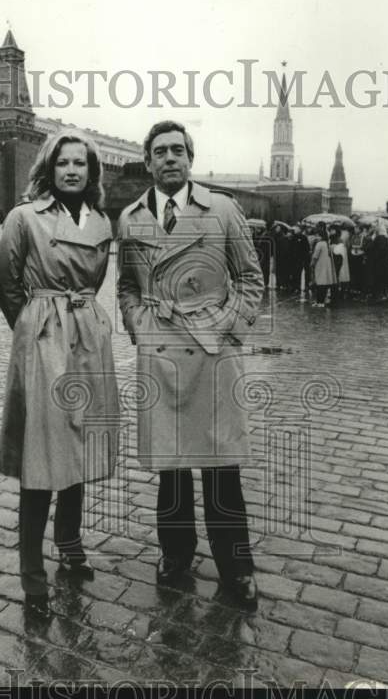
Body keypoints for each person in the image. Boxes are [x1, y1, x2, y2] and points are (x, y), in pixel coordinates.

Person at [116, 120, 264, 608]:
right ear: (148, 162)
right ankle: (175, 554)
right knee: (171, 469)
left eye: (178, 150)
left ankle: (236, 567)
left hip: (213, 354)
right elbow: (128, 287)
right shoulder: (131, 217)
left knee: (222, 469)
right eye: (160, 152)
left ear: (190, 158)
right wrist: (141, 327)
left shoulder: (221, 209)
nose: (170, 158)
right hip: (161, 354)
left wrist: (224, 331)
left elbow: (250, 280)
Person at [0, 130, 119, 617]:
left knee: (79, 443)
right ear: (49, 167)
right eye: (63, 162)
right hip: (44, 337)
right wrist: (33, 330)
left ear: (91, 172)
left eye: (80, 163)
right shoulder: (24, 217)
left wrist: (80, 320)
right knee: (42, 454)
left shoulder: (101, 221)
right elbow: (5, 282)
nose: (71, 170)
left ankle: (70, 545)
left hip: (88, 336)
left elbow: (96, 278)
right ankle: (30, 573)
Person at [310, 224, 335, 307]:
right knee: (324, 284)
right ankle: (322, 301)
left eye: (317, 235)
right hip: (326, 266)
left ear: (320, 236)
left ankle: (319, 301)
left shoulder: (319, 244)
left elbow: (315, 256)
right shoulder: (327, 243)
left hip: (320, 266)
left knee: (319, 284)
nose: (316, 237)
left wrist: (312, 263)